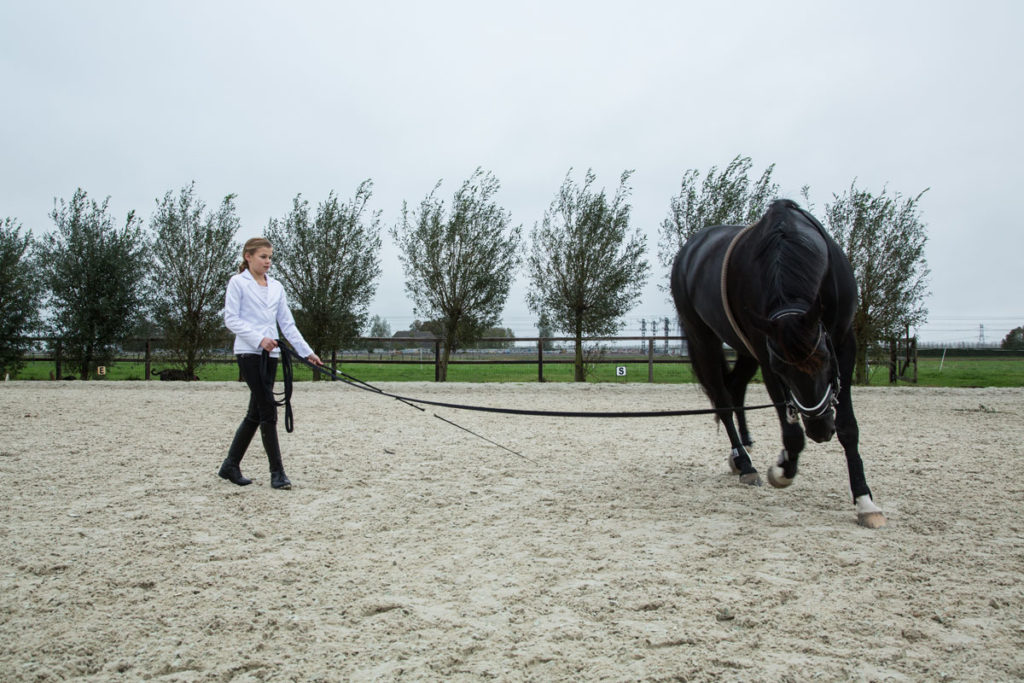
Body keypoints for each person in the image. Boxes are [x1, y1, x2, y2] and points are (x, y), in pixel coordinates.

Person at [219, 237, 322, 489]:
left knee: (255, 413)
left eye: (270, 257)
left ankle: (230, 465)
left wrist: (306, 352)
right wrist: (259, 338)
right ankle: (277, 473)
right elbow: (231, 319)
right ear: (248, 256)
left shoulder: (276, 286)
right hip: (249, 352)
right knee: (267, 410)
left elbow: (287, 324)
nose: (268, 262)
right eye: (263, 257)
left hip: (272, 355)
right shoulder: (238, 283)